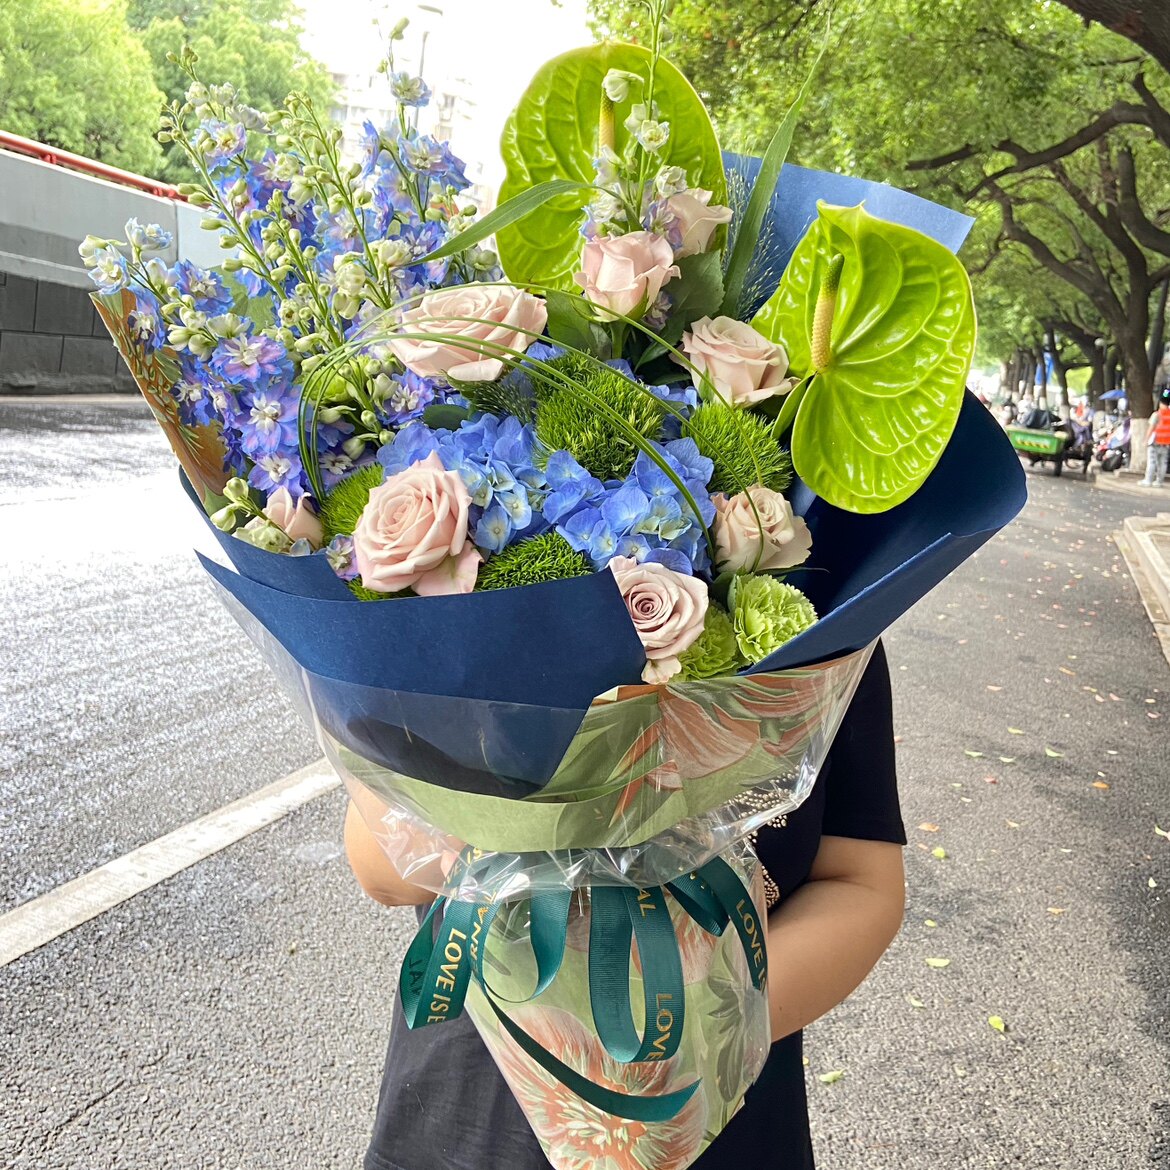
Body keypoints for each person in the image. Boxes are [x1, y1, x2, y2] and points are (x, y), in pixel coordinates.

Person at [346, 645, 906, 1170]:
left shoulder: (822, 614)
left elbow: (860, 883)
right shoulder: (447, 608)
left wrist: (701, 1035)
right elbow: (385, 874)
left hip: (718, 1107)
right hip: (469, 1108)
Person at [1142, 388, 1170, 487]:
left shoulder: (1157, 415)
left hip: (1155, 442)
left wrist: (1145, 440)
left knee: (1152, 461)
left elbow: (1151, 428)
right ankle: (1159, 482)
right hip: (1166, 443)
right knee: (1163, 463)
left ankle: (1148, 480)